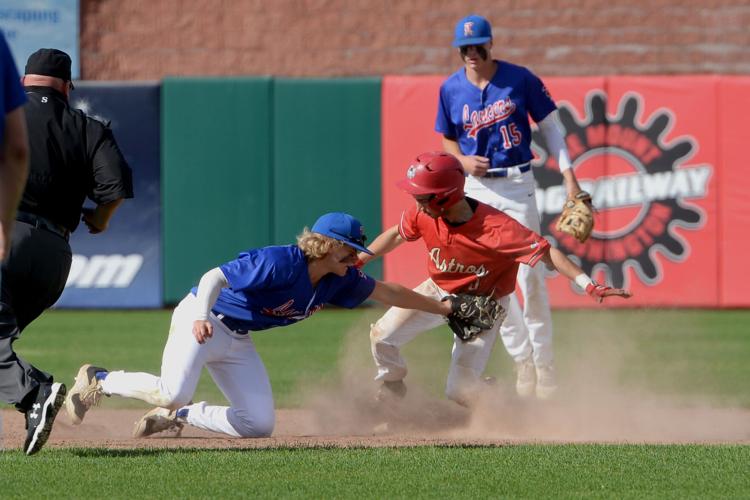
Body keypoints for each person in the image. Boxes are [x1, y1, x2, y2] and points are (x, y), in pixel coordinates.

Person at [65, 212, 463, 439]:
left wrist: (442, 309)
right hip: (201, 319)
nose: (357, 257)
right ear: (327, 244)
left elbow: (389, 292)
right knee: (172, 390)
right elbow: (213, 277)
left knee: (258, 424)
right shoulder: (279, 262)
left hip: (236, 338)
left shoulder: (340, 278)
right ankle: (100, 379)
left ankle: (181, 417)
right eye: (351, 249)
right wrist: (201, 315)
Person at [359, 152, 630, 407]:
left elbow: (547, 254)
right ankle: (393, 384)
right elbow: (397, 234)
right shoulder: (423, 214)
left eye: (423, 196)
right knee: (381, 337)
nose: (417, 202)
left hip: (483, 305)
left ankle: (499, 398)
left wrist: (588, 284)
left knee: (459, 391)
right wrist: (362, 259)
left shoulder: (497, 229)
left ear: (444, 197)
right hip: (438, 289)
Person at [435, 14, 588, 399]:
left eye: (478, 46)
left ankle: (545, 363)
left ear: (491, 44)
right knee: (490, 284)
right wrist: (462, 162)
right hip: (476, 191)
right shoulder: (451, 88)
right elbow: (447, 140)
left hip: (517, 185)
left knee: (531, 279)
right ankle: (521, 360)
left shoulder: (520, 79)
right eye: (465, 48)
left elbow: (552, 128)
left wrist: (570, 177)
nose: (471, 53)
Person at [0, 47, 134, 455]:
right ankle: (34, 402)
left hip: (9, 237)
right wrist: (101, 219)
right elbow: (115, 188)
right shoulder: (89, 128)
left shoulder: (9, 120)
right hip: (56, 258)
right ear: (67, 86)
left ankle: (35, 393)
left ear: (24, 81)